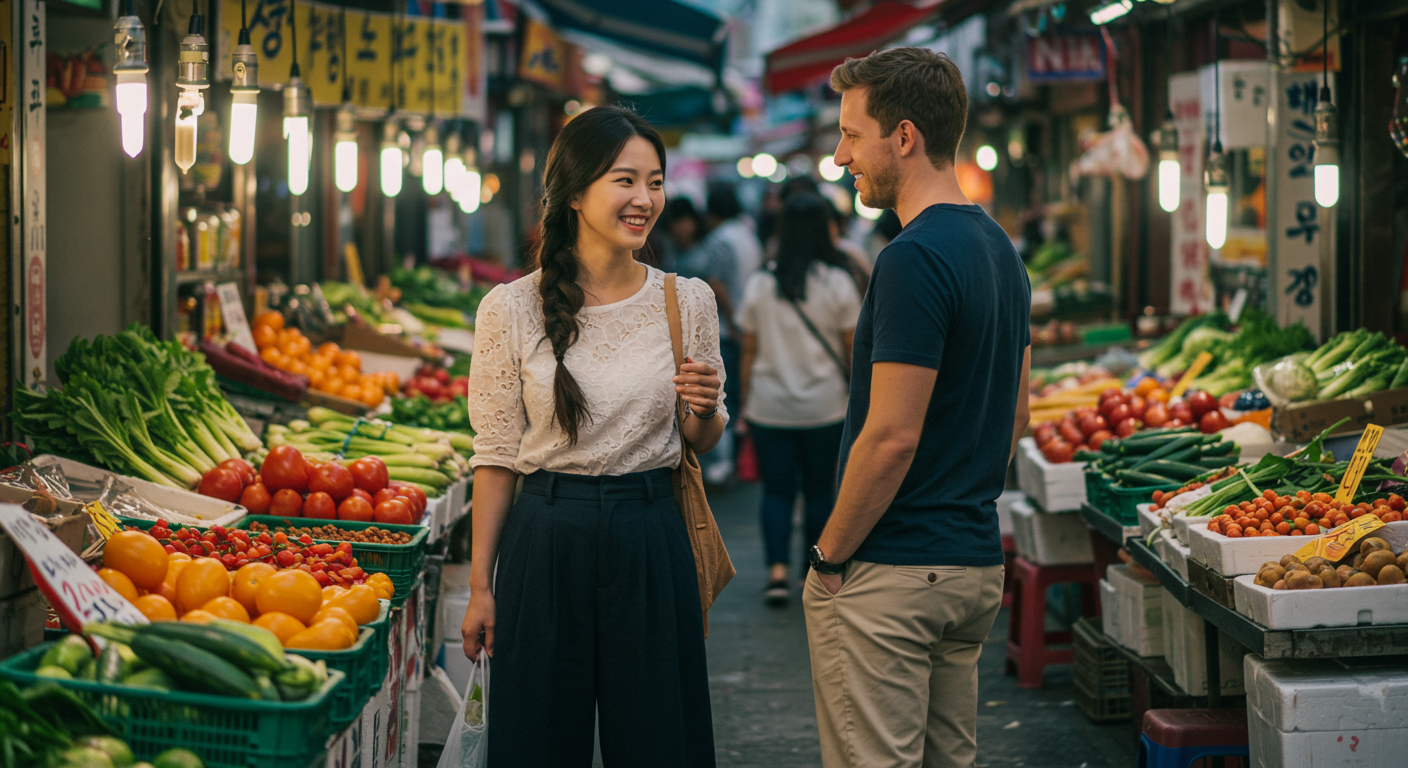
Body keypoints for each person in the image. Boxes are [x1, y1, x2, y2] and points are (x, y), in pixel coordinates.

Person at [459, 105, 728, 768]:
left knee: (660, 739)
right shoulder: (511, 308)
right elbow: (494, 458)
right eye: (625, 180)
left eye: (655, 182)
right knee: (538, 743)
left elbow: (702, 437)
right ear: (575, 193)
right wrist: (480, 586)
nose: (645, 199)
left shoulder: (687, 300)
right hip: (546, 535)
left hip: (650, 532)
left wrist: (707, 409)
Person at [802, 48, 1032, 768]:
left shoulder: (912, 257)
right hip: (969, 564)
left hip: (896, 570)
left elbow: (891, 436)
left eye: (851, 134)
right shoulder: (1000, 249)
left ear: (904, 137)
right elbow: (1017, 415)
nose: (842, 157)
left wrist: (828, 555)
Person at [736, 194, 861, 606]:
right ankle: (815, 570)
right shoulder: (837, 282)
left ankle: (776, 574)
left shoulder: (760, 283)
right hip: (826, 407)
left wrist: (743, 406)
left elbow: (748, 351)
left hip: (769, 408)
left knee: (776, 491)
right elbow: (852, 350)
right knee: (821, 492)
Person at [672, 196, 744, 486]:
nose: (679, 228)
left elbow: (718, 286)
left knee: (715, 397)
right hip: (693, 334)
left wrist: (732, 321)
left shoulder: (713, 246)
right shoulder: (691, 248)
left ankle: (721, 463)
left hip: (718, 333)